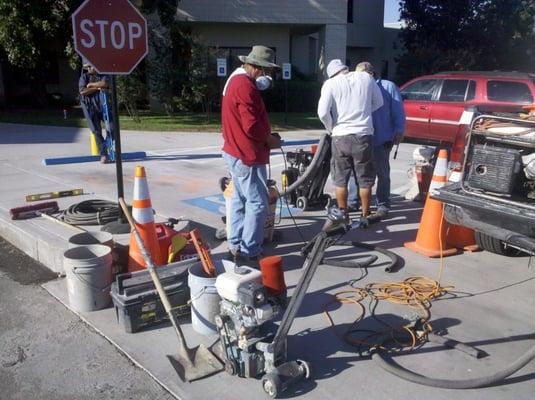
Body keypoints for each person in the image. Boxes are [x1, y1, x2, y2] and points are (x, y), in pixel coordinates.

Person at [221, 45, 280, 261]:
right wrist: (269, 140)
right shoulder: (246, 87)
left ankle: (236, 244)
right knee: (257, 203)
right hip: (247, 155)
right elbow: (251, 126)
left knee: (239, 200)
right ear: (258, 68)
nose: (268, 76)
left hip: (235, 151)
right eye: (268, 71)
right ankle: (249, 252)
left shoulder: (236, 82)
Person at [317, 59, 383, 219]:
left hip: (340, 136)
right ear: (345, 69)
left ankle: (343, 213)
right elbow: (379, 102)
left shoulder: (330, 84)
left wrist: (331, 128)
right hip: (363, 134)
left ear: (332, 74)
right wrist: (365, 112)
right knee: (365, 179)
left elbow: (323, 112)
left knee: (340, 178)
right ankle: (365, 214)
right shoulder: (366, 78)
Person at [347, 62, 406, 216]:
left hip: (382, 138)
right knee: (357, 171)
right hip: (360, 137)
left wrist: (399, 130)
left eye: (360, 76)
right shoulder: (357, 87)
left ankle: (383, 204)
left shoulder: (388, 87)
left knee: (382, 173)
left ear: (370, 75)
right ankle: (353, 201)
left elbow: (398, 111)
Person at [79, 62, 113, 164]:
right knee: (96, 131)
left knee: (113, 128)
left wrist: (91, 85)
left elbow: (105, 84)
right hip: (89, 107)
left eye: (91, 66)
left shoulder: (103, 75)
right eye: (88, 67)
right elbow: (83, 91)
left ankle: (104, 147)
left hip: (103, 106)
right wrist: (97, 88)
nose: (89, 68)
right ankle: (104, 154)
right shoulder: (84, 77)